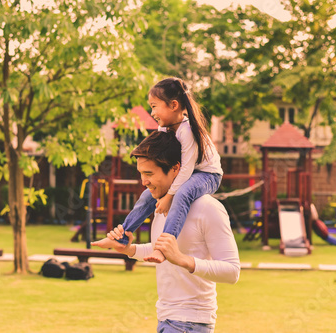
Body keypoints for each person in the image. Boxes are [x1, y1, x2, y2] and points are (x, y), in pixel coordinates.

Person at [92, 131, 240, 332]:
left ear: (176, 169)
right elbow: (160, 250)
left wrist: (182, 259)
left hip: (190, 323)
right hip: (166, 319)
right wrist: (129, 249)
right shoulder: (160, 204)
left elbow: (232, 271)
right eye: (141, 174)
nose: (143, 181)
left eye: (149, 174)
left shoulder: (208, 208)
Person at [96, 77, 223, 263]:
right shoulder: (165, 129)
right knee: (147, 195)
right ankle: (122, 235)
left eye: (155, 106)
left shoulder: (187, 131)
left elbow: (186, 169)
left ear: (173, 105)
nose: (152, 112)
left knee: (183, 193)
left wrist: (168, 197)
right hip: (188, 173)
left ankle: (164, 248)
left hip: (207, 175)